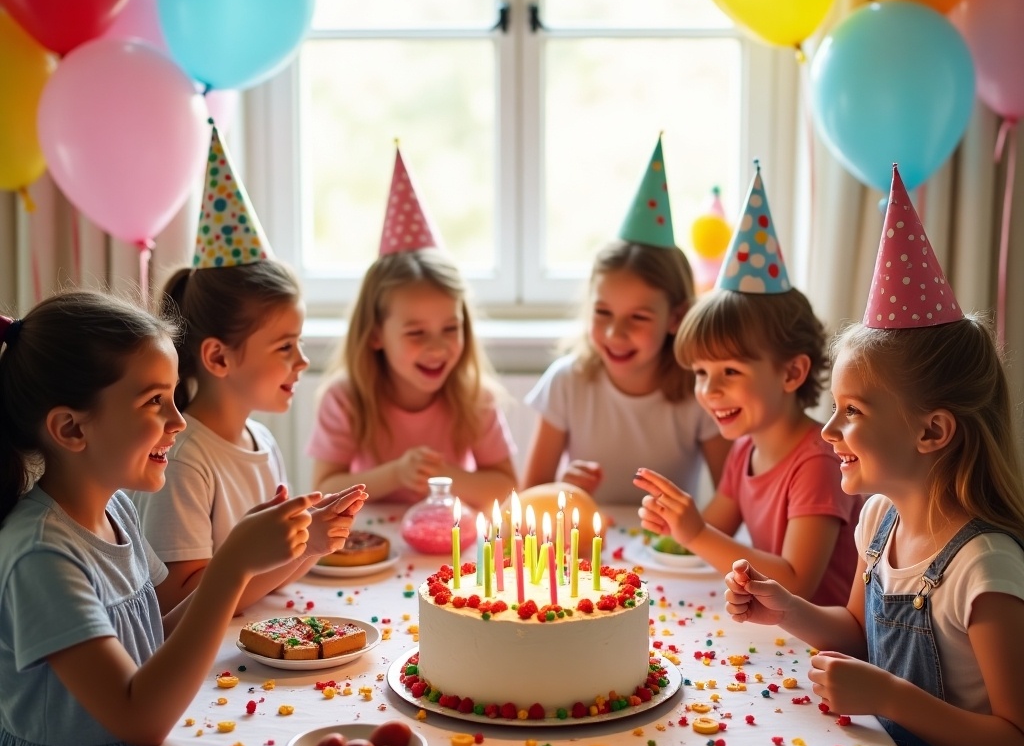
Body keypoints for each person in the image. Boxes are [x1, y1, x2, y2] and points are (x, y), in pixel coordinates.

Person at [725, 166, 1024, 746]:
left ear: (932, 432)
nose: (827, 430)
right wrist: (786, 610)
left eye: (852, 413)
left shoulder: (985, 569)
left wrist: (890, 696)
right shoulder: (880, 520)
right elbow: (858, 632)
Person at [0, 292, 327, 746]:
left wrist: (267, 558)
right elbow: (139, 714)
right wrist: (229, 568)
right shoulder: (40, 557)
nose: (179, 421)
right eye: (155, 402)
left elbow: (153, 629)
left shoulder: (116, 510)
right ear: (71, 429)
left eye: (174, 397)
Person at [134, 122, 367, 613]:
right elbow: (176, 602)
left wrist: (314, 540)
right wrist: (306, 545)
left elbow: (265, 577)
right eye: (284, 346)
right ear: (219, 357)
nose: (302, 361)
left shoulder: (263, 442)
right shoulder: (184, 458)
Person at [634, 161, 861, 603]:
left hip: (829, 649)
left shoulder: (818, 462)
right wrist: (672, 523)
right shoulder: (744, 452)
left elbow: (796, 583)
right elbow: (710, 529)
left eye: (730, 372)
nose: (709, 390)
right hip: (775, 634)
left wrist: (695, 532)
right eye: (701, 373)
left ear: (791, 373)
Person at [522, 136, 730, 505]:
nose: (615, 333)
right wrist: (562, 491)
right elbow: (528, 499)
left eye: (638, 317)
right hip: (586, 550)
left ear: (676, 317)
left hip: (663, 555)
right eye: (602, 313)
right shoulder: (567, 382)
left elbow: (731, 500)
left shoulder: (699, 393)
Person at [308, 145, 517, 510]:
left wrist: (445, 478)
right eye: (416, 333)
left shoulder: (475, 398)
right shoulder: (344, 399)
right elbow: (324, 491)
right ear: (375, 334)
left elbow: (507, 489)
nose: (437, 347)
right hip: (374, 548)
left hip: (452, 544)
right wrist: (395, 474)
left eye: (450, 328)